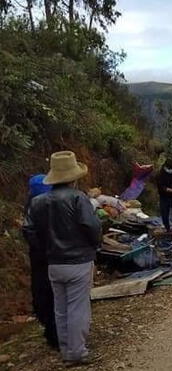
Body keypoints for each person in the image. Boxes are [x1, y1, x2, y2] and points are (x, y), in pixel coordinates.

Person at [22, 151, 102, 366]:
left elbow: (28, 230)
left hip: (53, 263)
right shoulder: (78, 199)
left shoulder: (37, 202)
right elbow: (91, 226)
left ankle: (66, 350)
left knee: (61, 308)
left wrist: (45, 249)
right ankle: (77, 352)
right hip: (78, 261)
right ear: (74, 177)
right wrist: (94, 245)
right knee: (78, 307)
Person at [22, 174, 58, 350]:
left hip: (40, 258)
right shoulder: (56, 202)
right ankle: (60, 334)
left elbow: (28, 230)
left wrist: (39, 248)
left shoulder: (31, 206)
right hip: (59, 256)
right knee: (58, 294)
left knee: (43, 293)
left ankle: (51, 332)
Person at [156, 159, 172, 233]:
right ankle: (168, 229)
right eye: (169, 169)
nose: (170, 170)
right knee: (164, 215)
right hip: (164, 197)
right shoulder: (160, 174)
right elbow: (162, 188)